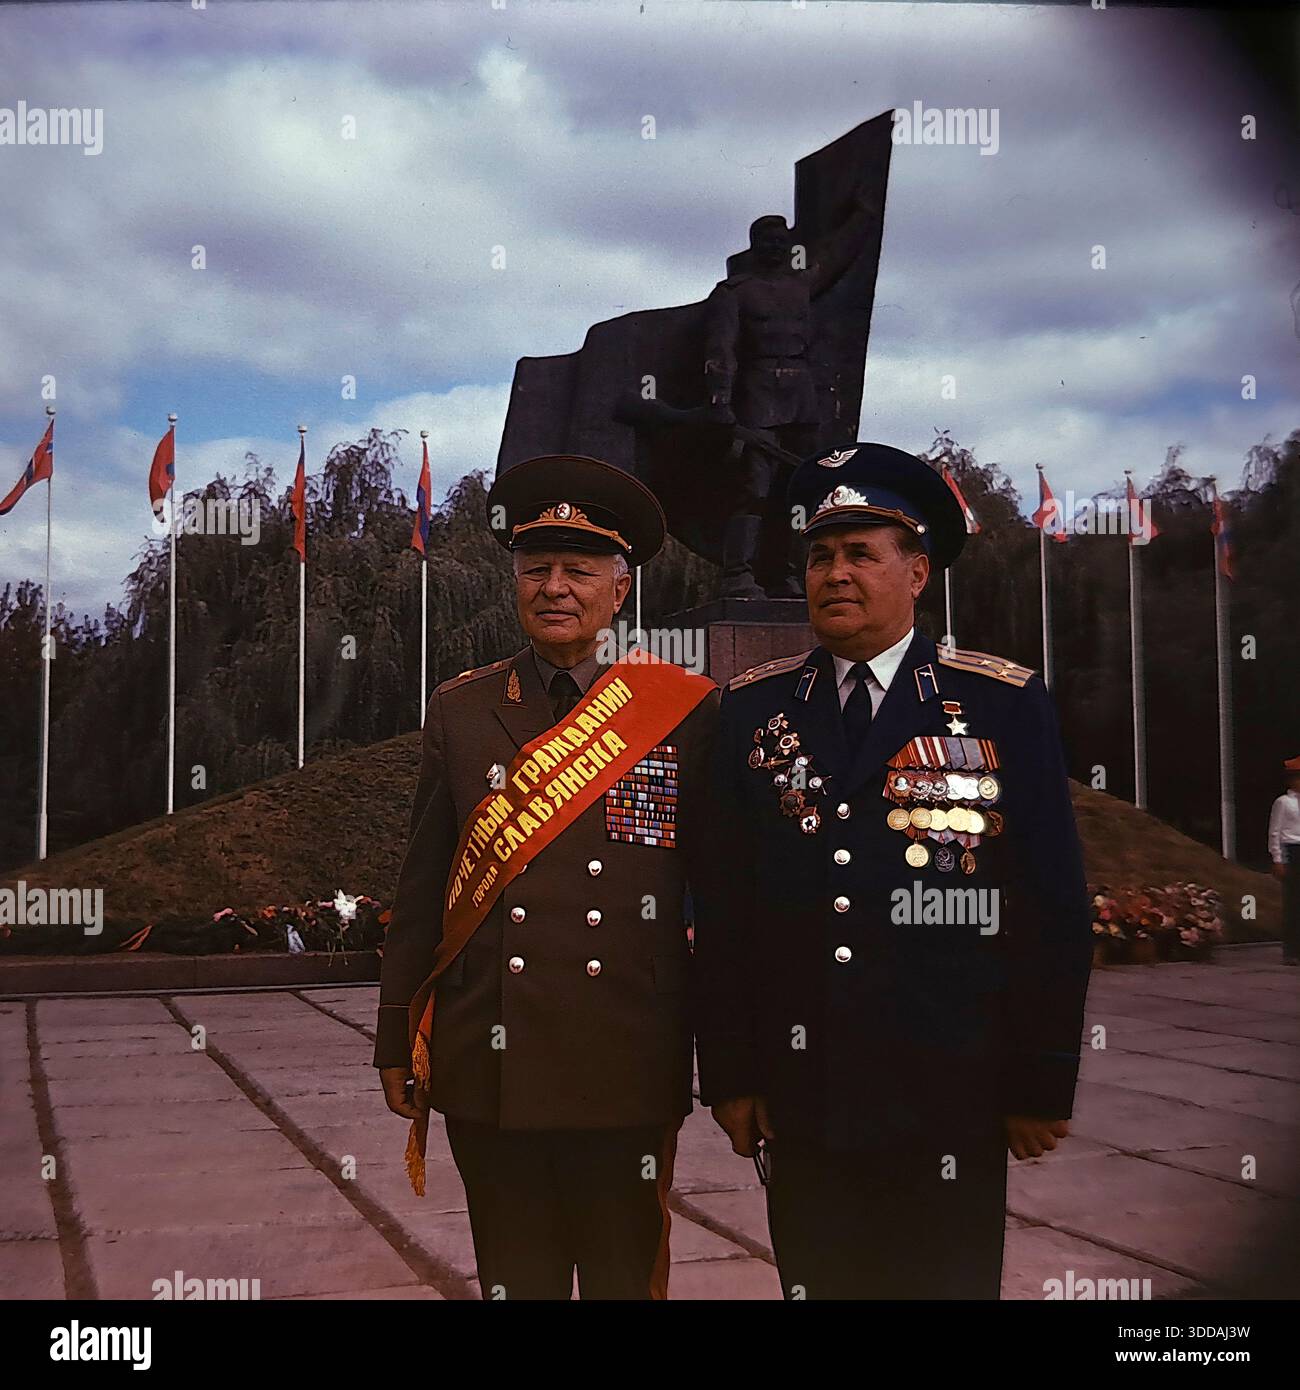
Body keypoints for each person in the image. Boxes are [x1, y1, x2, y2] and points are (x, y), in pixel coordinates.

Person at [692, 442, 1093, 1299]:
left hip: (952, 1090)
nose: (835, 573)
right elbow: (724, 911)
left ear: (917, 574)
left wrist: (1041, 1078)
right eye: (821, 555)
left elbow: (1052, 904)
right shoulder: (752, 710)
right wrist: (731, 1074)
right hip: (806, 1095)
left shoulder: (998, 702)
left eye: (860, 554)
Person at [374, 454, 717, 1299]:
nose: (555, 587)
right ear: (516, 584)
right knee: (513, 1280)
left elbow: (728, 899)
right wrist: (394, 1033)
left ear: (619, 590)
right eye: (537, 570)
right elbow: (424, 890)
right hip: (495, 1069)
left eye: (579, 569)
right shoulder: (462, 709)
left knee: (622, 1280)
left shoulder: (685, 711)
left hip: (625, 1063)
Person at [1268, 755, 1300, 964]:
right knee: (1293, 903)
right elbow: (1275, 832)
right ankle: (1291, 951)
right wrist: (1278, 859)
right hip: (1292, 851)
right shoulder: (1283, 802)